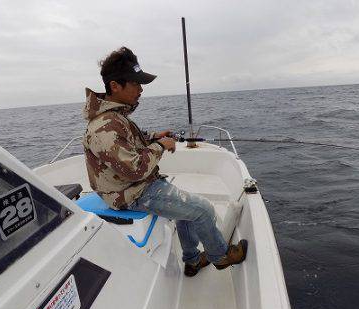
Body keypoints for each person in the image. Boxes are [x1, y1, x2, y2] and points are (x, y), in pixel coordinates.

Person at [83, 47, 247, 277]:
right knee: (203, 210)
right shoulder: (105, 126)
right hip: (132, 193)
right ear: (115, 86)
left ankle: (191, 261)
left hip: (134, 187)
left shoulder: (114, 117)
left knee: (188, 209)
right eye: (135, 84)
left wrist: (152, 137)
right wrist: (161, 146)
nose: (141, 89)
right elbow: (135, 169)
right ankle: (219, 256)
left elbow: (125, 143)